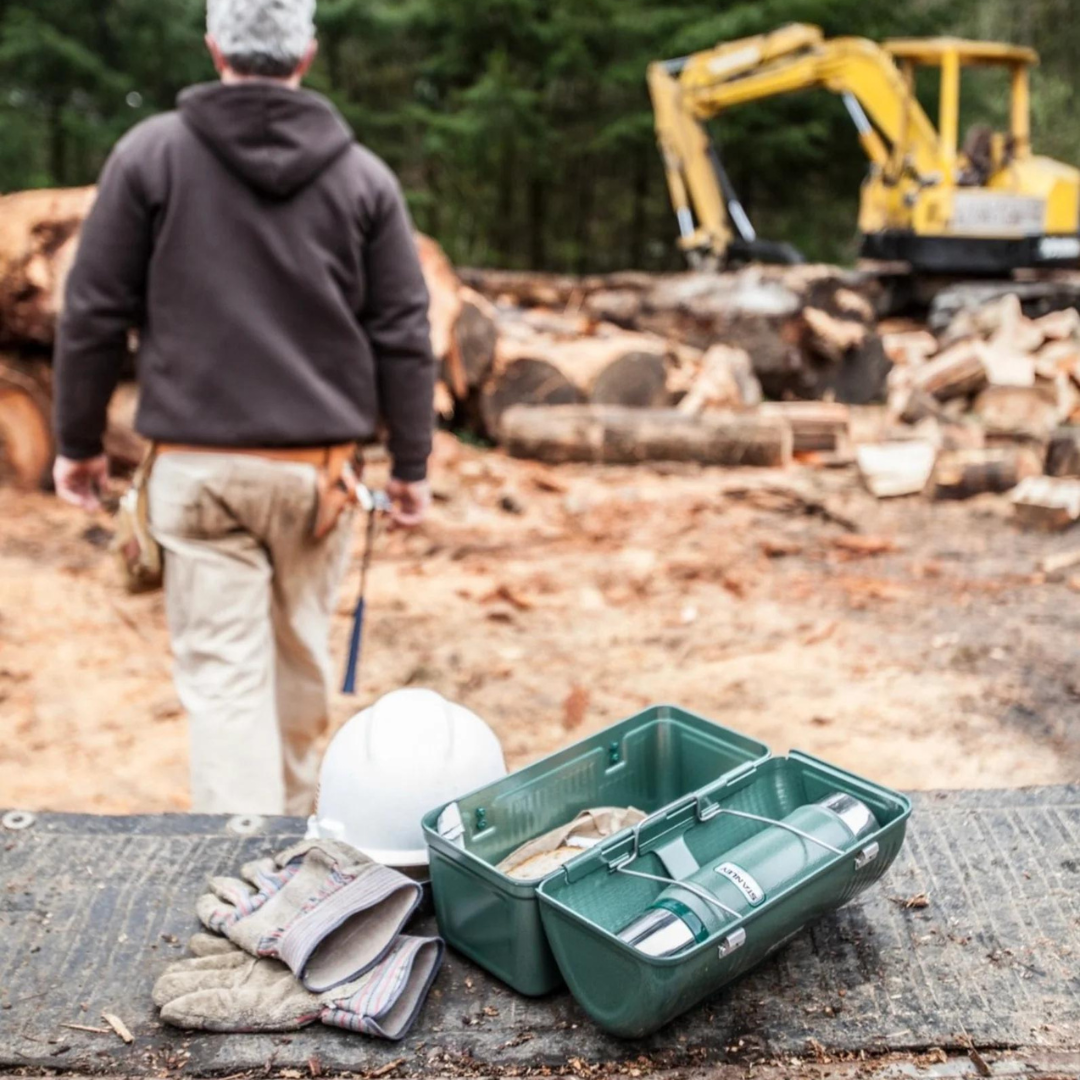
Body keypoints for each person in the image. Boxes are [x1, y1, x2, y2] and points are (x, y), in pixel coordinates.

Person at [51, 0, 436, 816]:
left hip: (199, 474)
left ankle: (241, 868)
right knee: (301, 660)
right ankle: (303, 865)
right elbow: (403, 329)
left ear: (215, 46)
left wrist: (77, 443)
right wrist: (411, 466)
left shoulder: (150, 155)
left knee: (226, 678)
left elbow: (91, 311)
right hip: (319, 480)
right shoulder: (364, 176)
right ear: (308, 54)